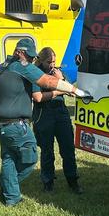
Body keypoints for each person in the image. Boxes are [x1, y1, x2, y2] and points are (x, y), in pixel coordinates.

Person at [0, 38, 89, 206]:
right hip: (16, 122)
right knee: (30, 157)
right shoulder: (23, 67)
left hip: (0, 121)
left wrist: (61, 78)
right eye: (28, 56)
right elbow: (45, 85)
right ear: (19, 52)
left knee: (9, 157)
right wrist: (75, 90)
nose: (30, 60)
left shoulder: (3, 66)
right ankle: (9, 185)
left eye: (32, 57)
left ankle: (11, 198)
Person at [32, 47, 82, 194]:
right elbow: (37, 97)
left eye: (54, 61)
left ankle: (72, 181)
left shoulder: (57, 72)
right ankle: (48, 182)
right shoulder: (36, 74)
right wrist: (60, 91)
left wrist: (61, 80)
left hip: (60, 113)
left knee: (68, 149)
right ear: (41, 61)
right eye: (49, 62)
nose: (52, 65)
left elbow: (72, 91)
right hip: (44, 114)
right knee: (47, 150)